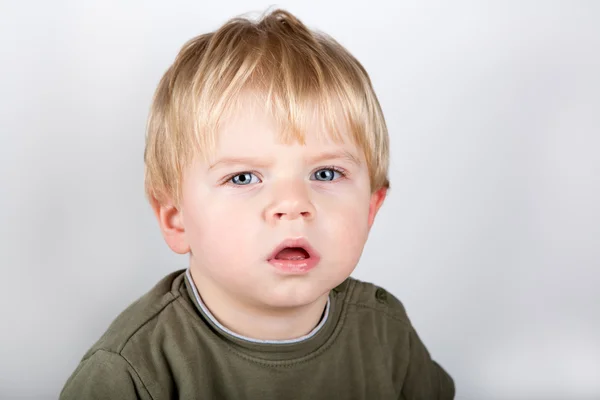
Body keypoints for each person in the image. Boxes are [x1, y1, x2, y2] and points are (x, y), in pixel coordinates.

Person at [60, 9, 455, 399]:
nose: (294, 205)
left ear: (371, 209)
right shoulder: (130, 372)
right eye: (243, 178)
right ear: (176, 219)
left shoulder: (385, 332)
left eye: (326, 174)